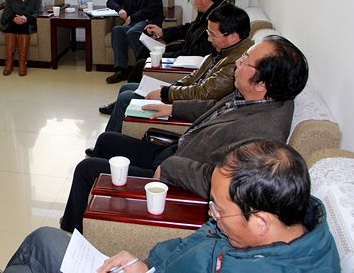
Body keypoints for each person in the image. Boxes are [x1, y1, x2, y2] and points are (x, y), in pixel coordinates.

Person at [61, 35, 309, 232]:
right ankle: (90, 217)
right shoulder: (257, 97)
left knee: (87, 170)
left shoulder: (264, 135)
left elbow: (224, 182)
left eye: (245, 61)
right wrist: (172, 107)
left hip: (177, 178)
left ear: (262, 83)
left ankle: (76, 230)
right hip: (177, 151)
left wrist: (172, 168)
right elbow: (212, 107)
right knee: (107, 141)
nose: (238, 63)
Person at [0, 139, 340, 273]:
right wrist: (145, 263)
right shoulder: (273, 220)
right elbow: (191, 246)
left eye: (217, 208)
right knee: (43, 240)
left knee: (39, 249)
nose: (210, 214)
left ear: (260, 221)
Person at [100, 3, 252, 134]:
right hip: (186, 94)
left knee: (126, 97)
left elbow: (203, 93)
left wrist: (166, 93)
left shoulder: (236, 63)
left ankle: (111, 143)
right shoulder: (225, 49)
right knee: (126, 88)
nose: (209, 39)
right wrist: (176, 85)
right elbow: (196, 75)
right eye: (208, 33)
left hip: (189, 105)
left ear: (233, 36)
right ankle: (115, 137)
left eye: (212, 35)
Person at [99, 0, 226, 97]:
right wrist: (163, 32)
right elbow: (189, 28)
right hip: (186, 49)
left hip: (189, 58)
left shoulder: (218, 20)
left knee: (142, 63)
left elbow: (199, 52)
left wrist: (167, 53)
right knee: (145, 50)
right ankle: (134, 89)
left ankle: (133, 96)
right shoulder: (207, 11)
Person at [105, 0, 164, 84]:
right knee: (117, 30)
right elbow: (110, 1)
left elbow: (151, 10)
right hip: (133, 23)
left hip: (149, 22)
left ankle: (143, 69)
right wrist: (120, 10)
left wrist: (131, 17)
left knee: (132, 32)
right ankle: (121, 70)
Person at [1, 0, 44, 76]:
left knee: (24, 27)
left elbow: (39, 11)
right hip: (14, 21)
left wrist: (26, 18)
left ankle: (22, 62)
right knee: (11, 26)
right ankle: (9, 61)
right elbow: (7, 12)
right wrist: (13, 18)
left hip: (29, 22)